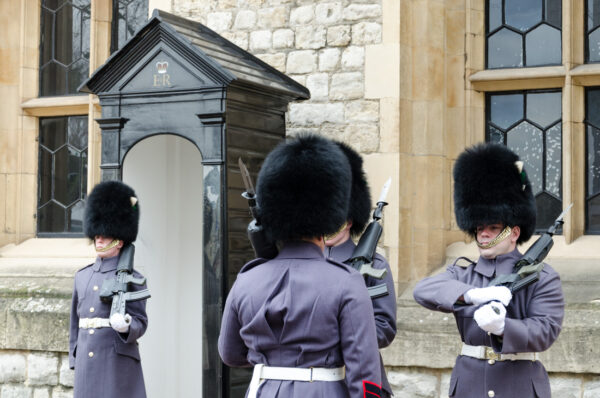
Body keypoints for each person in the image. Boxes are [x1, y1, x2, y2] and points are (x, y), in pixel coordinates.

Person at [218, 135, 383, 398]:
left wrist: (273, 359)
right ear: (327, 220)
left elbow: (230, 353)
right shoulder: (346, 281)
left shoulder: (248, 278)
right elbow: (363, 369)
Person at [413, 143, 564, 398]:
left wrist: (504, 327)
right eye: (479, 227)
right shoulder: (463, 274)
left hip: (518, 388)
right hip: (469, 387)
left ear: (513, 232)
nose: (483, 233)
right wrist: (472, 295)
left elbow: (545, 330)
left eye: (493, 227)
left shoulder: (541, 277)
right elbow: (423, 290)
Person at [324, 141, 397, 398]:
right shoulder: (303, 264)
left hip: (360, 379)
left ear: (349, 219)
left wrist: (334, 335)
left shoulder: (374, 264)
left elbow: (384, 328)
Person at [69, 181, 148, 398]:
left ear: (119, 240)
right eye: (97, 235)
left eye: (105, 235)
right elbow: (75, 324)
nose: (99, 239)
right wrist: (75, 357)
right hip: (87, 362)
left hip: (116, 362)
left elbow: (140, 321)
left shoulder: (133, 278)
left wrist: (126, 327)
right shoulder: (82, 276)